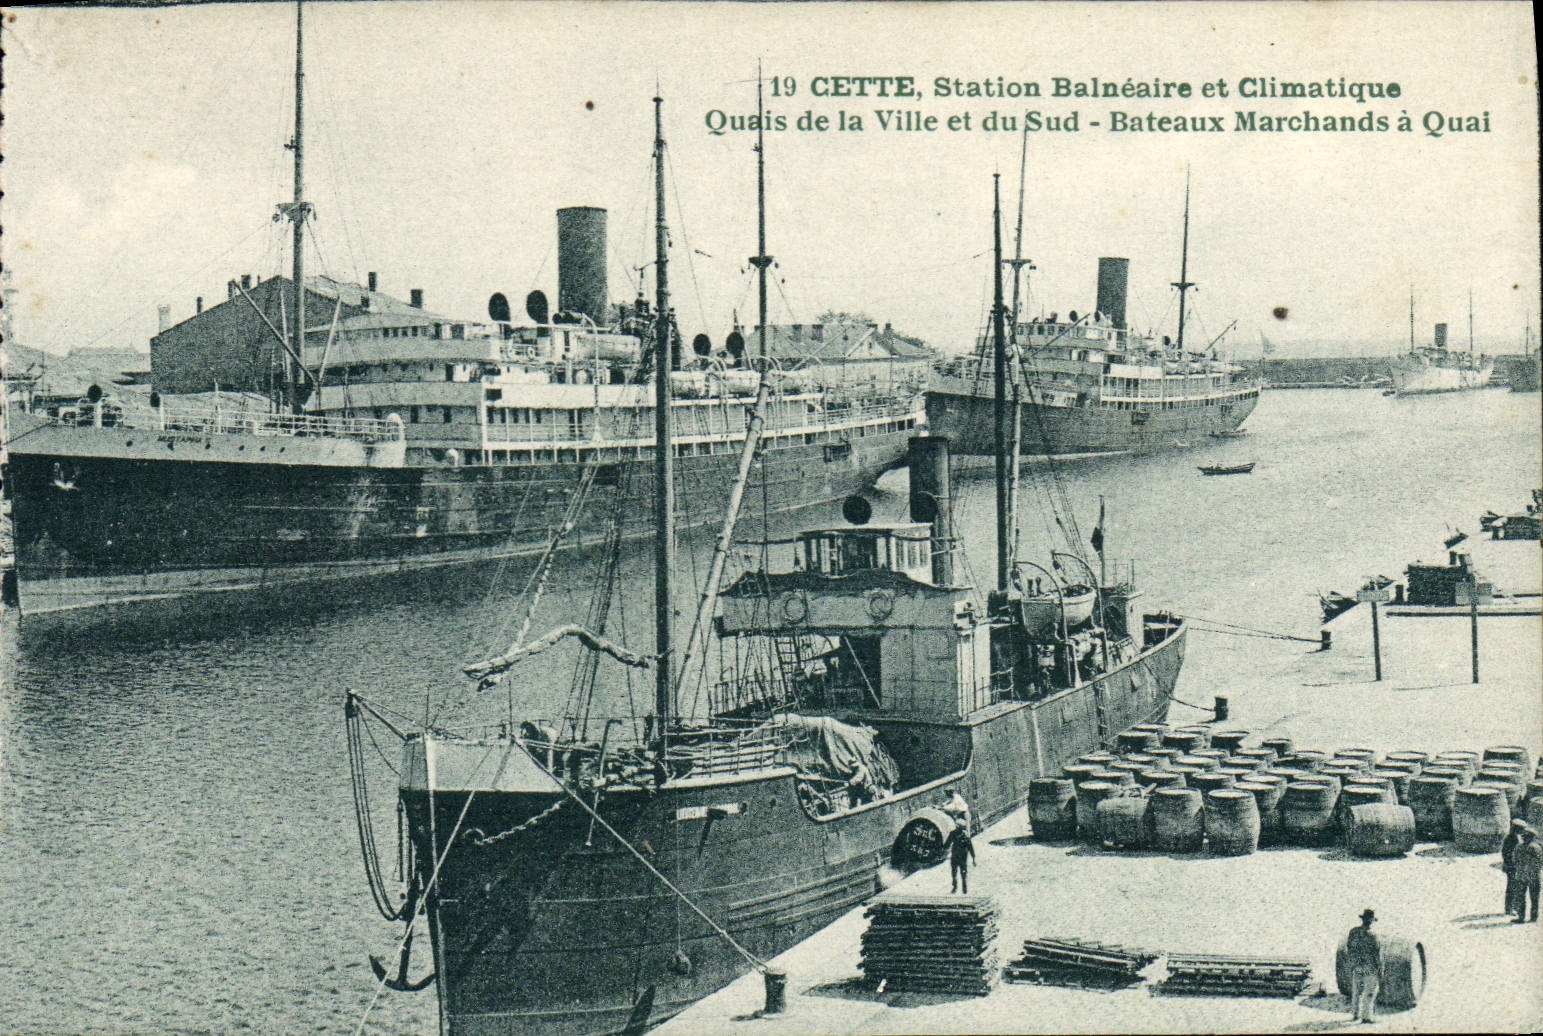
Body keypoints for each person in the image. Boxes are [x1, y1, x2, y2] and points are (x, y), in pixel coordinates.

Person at [1344, 908, 1382, 1023]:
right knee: (1369, 992)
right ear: (1371, 921)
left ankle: (1355, 1015)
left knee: (1356, 992)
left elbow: (1349, 948)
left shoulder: (1353, 932)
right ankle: (1366, 1017)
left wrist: (1352, 963)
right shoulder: (1373, 935)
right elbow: (1377, 953)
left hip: (1357, 966)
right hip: (1370, 966)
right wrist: (1380, 968)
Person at [1513, 825, 1542, 924]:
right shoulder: (1537, 847)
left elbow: (1515, 860)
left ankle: (1521, 917)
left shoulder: (1518, 847)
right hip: (1534, 876)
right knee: (1534, 898)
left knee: (1520, 897)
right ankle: (1534, 917)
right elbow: (1540, 861)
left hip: (1521, 876)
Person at [1501, 818, 1527, 917]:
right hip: (1512, 867)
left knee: (1514, 887)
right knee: (1512, 887)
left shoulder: (1514, 837)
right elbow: (1506, 854)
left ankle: (1511, 908)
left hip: (1513, 867)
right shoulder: (1511, 839)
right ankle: (1509, 909)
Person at [944, 820, 976, 894]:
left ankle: (957, 888)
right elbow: (970, 847)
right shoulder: (965, 835)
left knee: (955, 872)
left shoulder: (954, 833)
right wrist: (973, 858)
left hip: (957, 856)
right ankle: (963, 889)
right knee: (961, 872)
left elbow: (947, 844)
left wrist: (974, 858)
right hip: (961, 857)